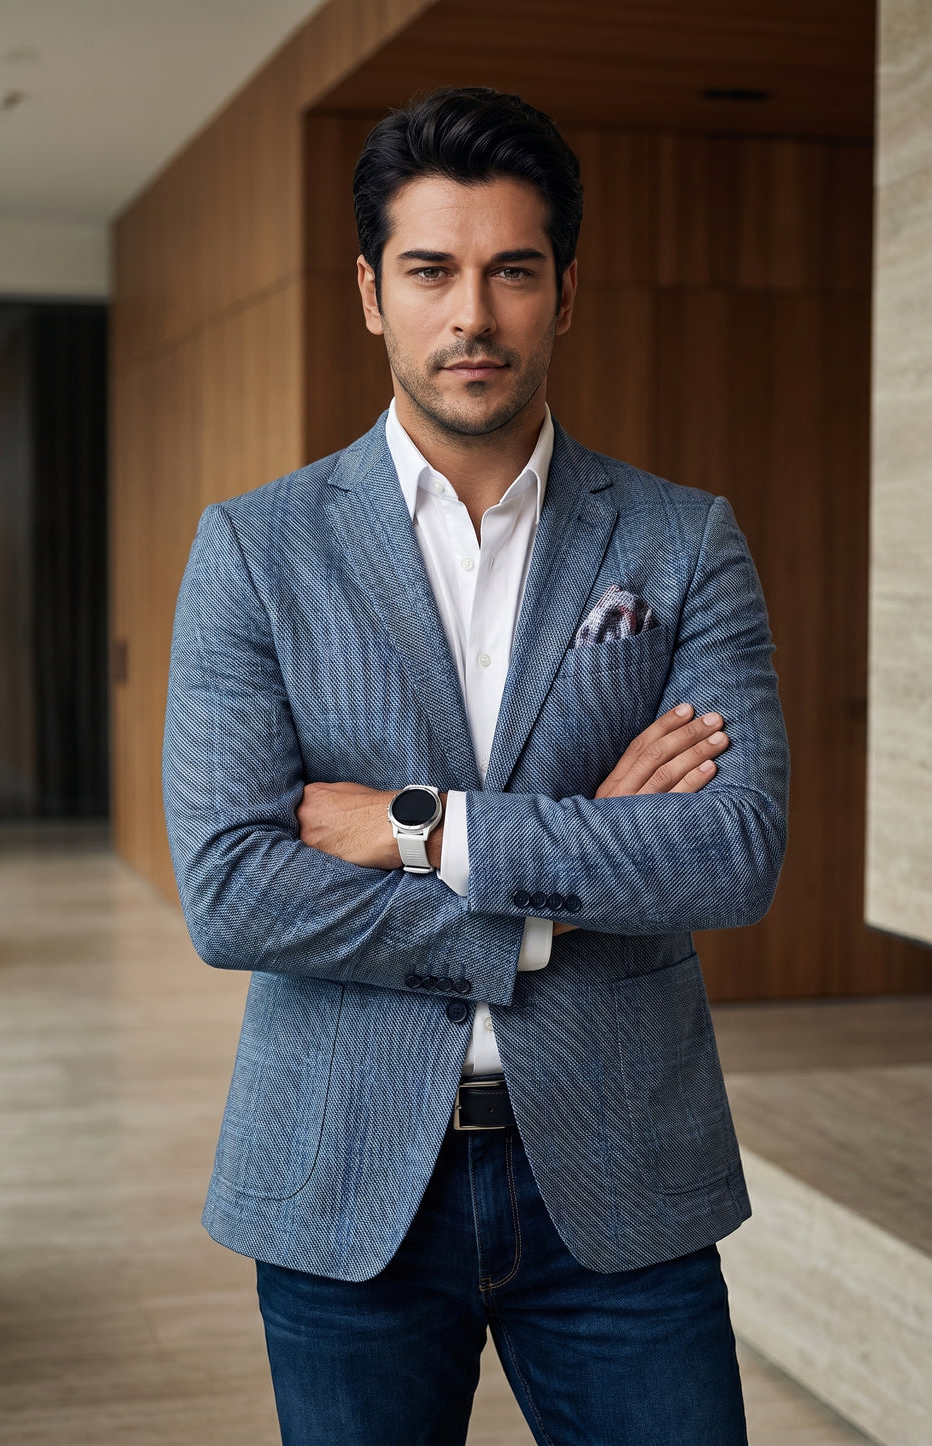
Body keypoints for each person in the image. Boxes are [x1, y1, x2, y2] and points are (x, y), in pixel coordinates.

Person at [163, 86, 788, 1446]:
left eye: (512, 271)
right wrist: (566, 887)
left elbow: (735, 849)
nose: (474, 315)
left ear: (564, 291)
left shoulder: (681, 544)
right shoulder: (254, 553)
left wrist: (426, 826)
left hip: (621, 1167)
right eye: (432, 271)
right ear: (372, 294)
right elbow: (233, 891)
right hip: (343, 1173)